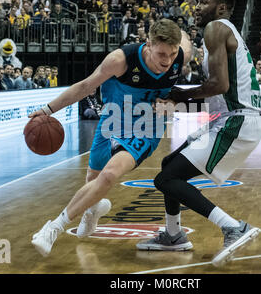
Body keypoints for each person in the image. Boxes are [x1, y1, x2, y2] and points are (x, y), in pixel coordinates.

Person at [29, 18, 192, 257]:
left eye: (172, 53)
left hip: (147, 127)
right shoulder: (120, 60)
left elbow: (186, 41)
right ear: (147, 44)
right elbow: (85, 87)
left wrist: (174, 98)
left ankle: (53, 227)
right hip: (112, 121)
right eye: (161, 54)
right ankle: (93, 210)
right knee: (92, 179)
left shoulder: (182, 54)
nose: (167, 61)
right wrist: (47, 110)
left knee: (108, 175)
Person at [136, 0, 261, 268]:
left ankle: (233, 227)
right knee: (169, 166)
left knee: (166, 179)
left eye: (204, 2)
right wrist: (175, 99)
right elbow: (216, 93)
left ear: (220, 7)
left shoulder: (216, 28)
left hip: (237, 122)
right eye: (197, 1)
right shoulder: (225, 32)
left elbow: (219, 86)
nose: (196, 6)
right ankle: (173, 235)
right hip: (231, 119)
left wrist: (178, 94)